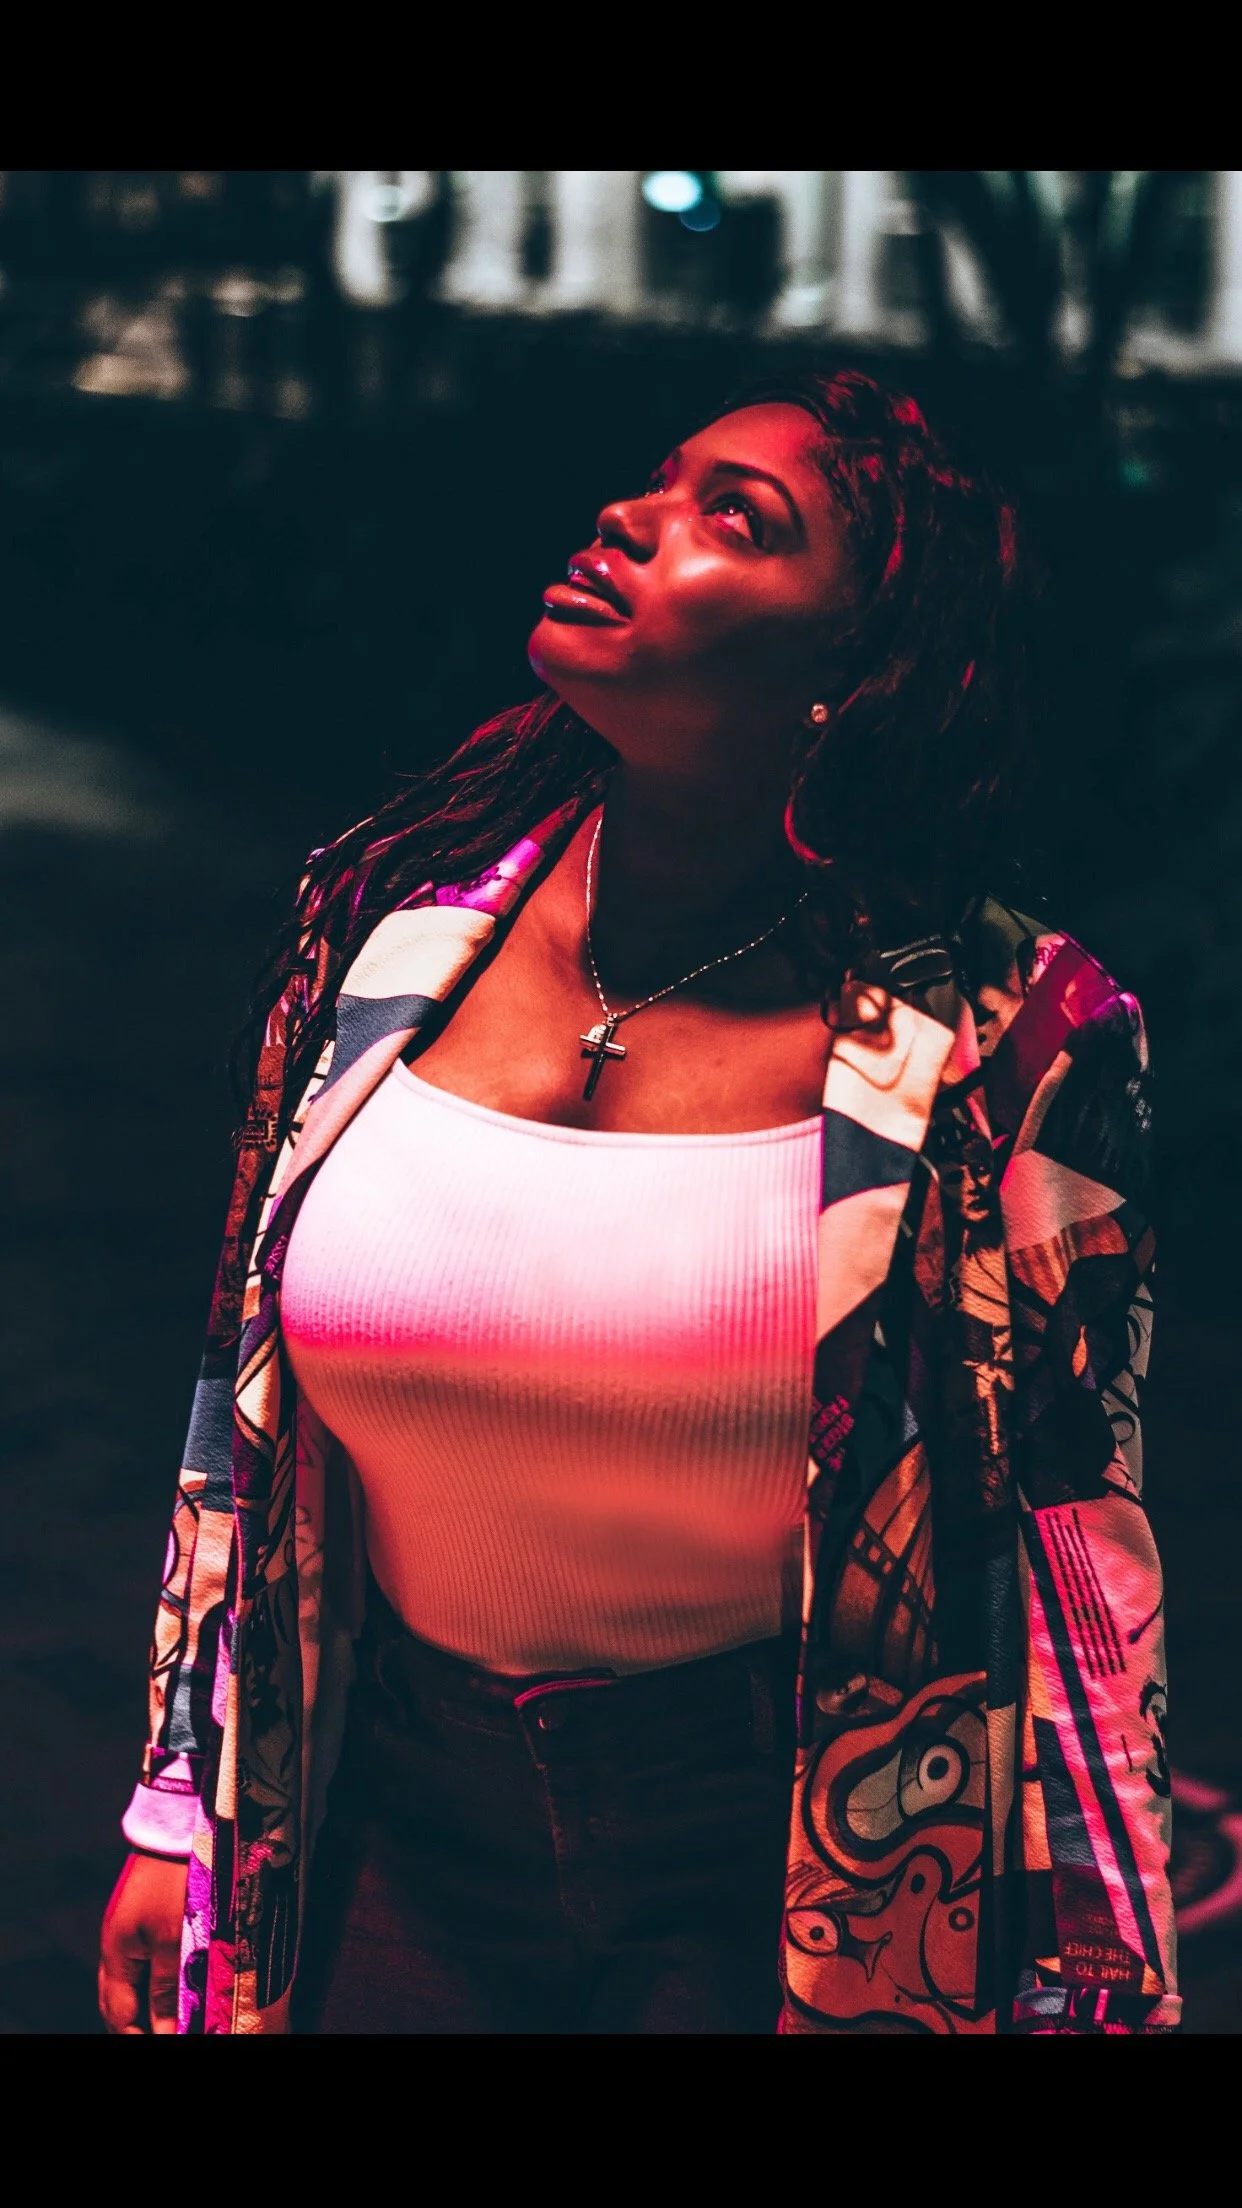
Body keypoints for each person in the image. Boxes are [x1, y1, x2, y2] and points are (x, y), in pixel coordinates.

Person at [98, 368, 1177, 2035]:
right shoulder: (385, 921)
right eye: (658, 483)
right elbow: (234, 1392)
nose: (628, 517)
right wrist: (180, 1801)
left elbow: (1073, 1535)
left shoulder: (1006, 1038)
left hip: (795, 1861)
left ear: (852, 669)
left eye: (733, 520)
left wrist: (1095, 1967)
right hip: (379, 1813)